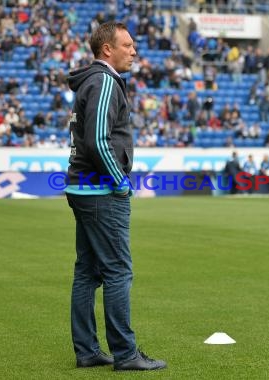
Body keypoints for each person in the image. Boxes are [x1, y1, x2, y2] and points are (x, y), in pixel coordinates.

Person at [64, 22, 166, 371]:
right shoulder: (105, 81)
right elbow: (97, 139)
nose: (134, 51)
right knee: (119, 271)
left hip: (83, 187)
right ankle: (125, 353)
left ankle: (88, 350)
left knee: (87, 272)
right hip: (100, 190)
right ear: (107, 49)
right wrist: (120, 180)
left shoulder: (89, 81)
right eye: (127, 45)